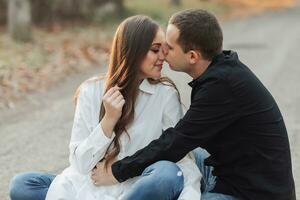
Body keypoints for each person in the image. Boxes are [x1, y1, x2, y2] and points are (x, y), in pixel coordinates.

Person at [95, 9, 296, 200]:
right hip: (232, 172)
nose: (163, 53)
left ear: (192, 56)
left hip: (249, 194)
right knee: (179, 156)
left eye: (170, 47)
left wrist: (118, 171)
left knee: (170, 168)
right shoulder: (219, 71)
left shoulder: (221, 87)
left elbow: (177, 141)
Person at [9, 15, 201, 200]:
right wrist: (108, 121)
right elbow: (80, 164)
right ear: (133, 50)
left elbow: (180, 157)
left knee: (168, 175)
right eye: (155, 50)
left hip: (139, 186)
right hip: (93, 186)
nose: (163, 57)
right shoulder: (90, 91)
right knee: (22, 185)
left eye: (165, 50)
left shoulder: (165, 94)